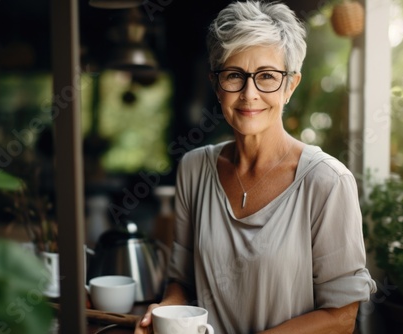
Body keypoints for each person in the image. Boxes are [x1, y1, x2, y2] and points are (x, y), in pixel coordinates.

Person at [135, 1, 376, 333]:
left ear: (290, 85)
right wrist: (164, 312)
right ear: (216, 84)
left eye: (266, 76)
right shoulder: (194, 169)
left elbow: (342, 318)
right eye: (234, 75)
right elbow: (182, 282)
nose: (249, 93)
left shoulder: (328, 181)